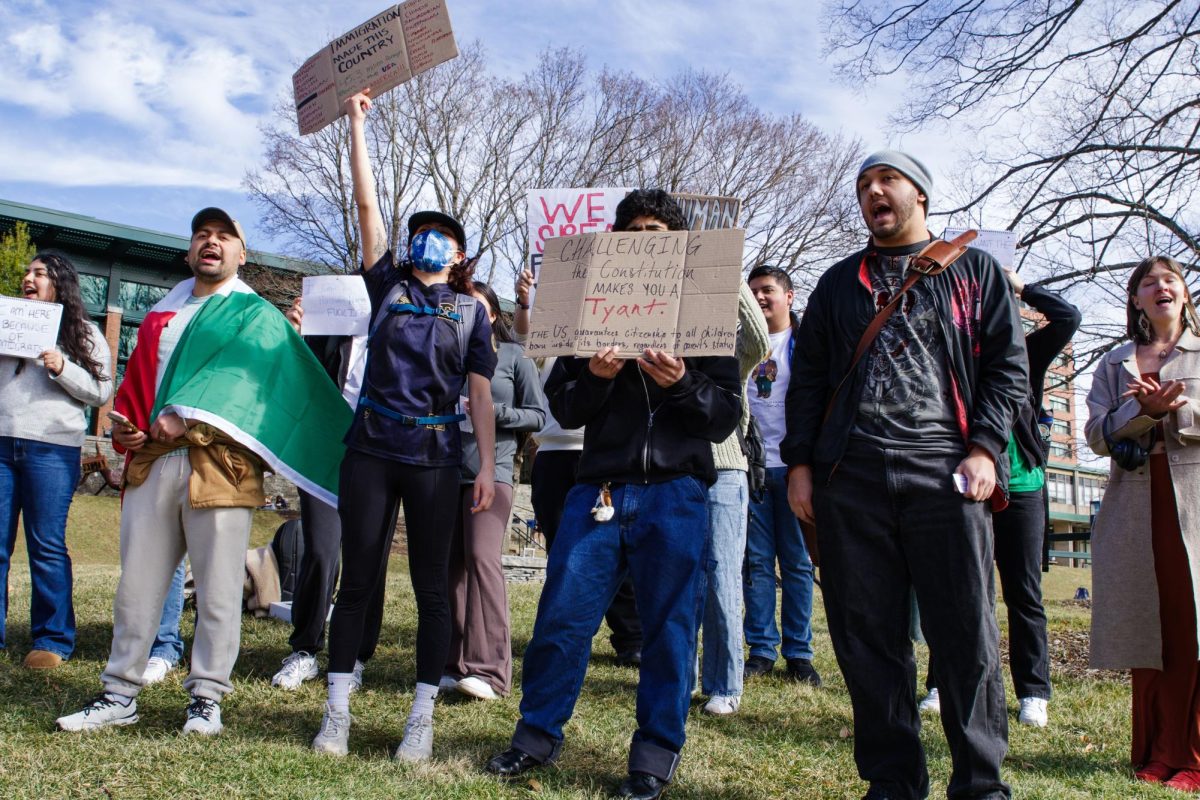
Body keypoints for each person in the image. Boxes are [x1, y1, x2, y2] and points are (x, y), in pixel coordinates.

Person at [784, 150, 1027, 800]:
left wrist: (983, 448)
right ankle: (893, 783)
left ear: (919, 193)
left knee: (966, 635)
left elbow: (1009, 367)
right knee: (867, 640)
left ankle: (980, 784)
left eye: (885, 180)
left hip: (944, 474)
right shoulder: (837, 284)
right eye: (863, 185)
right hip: (851, 480)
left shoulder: (974, 271)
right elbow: (806, 382)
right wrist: (802, 466)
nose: (872, 192)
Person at [485, 189, 743, 800]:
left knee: (671, 628)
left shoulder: (708, 317)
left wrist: (682, 383)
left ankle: (653, 756)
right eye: (633, 229)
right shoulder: (586, 315)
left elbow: (724, 417)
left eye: (658, 230)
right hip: (596, 490)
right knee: (562, 618)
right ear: (616, 243)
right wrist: (597, 378)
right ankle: (535, 738)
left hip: (677, 494)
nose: (645, 237)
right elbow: (564, 406)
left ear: (678, 247)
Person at [57, 207, 350, 735]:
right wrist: (129, 427)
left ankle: (207, 699)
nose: (210, 242)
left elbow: (255, 395)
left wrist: (187, 420)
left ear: (241, 255)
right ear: (190, 251)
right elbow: (141, 387)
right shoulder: (161, 316)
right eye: (201, 235)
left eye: (224, 237)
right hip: (153, 462)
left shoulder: (255, 317)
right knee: (138, 586)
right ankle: (119, 692)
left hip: (221, 469)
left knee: (217, 591)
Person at [311, 90, 497, 761]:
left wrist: (479, 467)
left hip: (436, 457)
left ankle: (421, 716)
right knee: (357, 577)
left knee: (430, 588)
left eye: (444, 233)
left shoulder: (474, 313)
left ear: (459, 253)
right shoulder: (385, 284)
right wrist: (357, 126)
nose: (431, 237)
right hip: (371, 447)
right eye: (423, 228)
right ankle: (336, 711)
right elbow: (366, 206)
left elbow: (480, 396)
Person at [920, 270, 1080, 727]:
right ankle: (941, 684)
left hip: (1023, 485)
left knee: (1023, 592)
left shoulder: (1027, 351)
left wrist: (1020, 286)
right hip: (966, 486)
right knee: (963, 591)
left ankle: (1033, 690)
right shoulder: (951, 353)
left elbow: (1068, 317)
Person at [1085, 255, 1200, 791]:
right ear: (1136, 300)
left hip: (1192, 506)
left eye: (1169, 280)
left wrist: (1175, 411)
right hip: (1134, 501)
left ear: (1183, 294)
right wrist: (1145, 414)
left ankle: (1191, 754)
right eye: (1148, 283)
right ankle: (1155, 752)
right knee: (1145, 628)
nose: (1160, 288)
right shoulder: (1115, 363)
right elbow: (1095, 433)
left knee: (1190, 627)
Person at [515, 271, 645, 666]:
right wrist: (525, 301)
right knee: (563, 550)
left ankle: (631, 638)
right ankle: (566, 638)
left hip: (601, 456)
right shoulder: (549, 335)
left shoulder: (613, 330)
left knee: (614, 550)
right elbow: (524, 339)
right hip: (553, 454)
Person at [0, 251, 112, 669]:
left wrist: (63, 366)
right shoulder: (5, 325)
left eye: (40, 273)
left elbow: (101, 391)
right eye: (27, 272)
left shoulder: (83, 332)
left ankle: (52, 639)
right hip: (1, 445)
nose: (29, 278)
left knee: (46, 545)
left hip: (51, 449)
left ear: (60, 282)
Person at [269, 311, 382, 692]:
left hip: (377, 454)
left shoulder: (401, 328)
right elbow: (295, 376)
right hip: (324, 454)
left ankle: (354, 658)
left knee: (368, 558)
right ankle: (304, 650)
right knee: (319, 548)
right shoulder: (329, 331)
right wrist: (295, 334)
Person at [443, 281, 544, 700]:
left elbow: (537, 416)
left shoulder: (514, 358)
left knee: (483, 558)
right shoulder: (443, 357)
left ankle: (492, 671)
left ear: (493, 316)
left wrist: (488, 409)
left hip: (495, 471)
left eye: (478, 308)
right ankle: (453, 664)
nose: (468, 313)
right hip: (444, 472)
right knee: (451, 568)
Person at [742, 265, 820, 685]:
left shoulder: (807, 343)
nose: (759, 298)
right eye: (752, 291)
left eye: (768, 290)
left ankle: (799, 653)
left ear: (789, 296)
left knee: (796, 562)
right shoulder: (740, 341)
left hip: (796, 469)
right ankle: (761, 649)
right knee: (755, 562)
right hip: (752, 466)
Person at [698, 276, 769, 714]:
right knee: (680, 579)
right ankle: (682, 676)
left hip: (724, 470)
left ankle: (725, 683)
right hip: (675, 470)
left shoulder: (731, 354)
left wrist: (727, 269)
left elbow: (759, 338)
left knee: (723, 575)